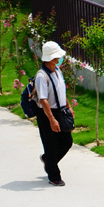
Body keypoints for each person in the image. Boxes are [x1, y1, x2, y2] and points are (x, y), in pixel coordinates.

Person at [35, 41, 74, 187]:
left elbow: (61, 91)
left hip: (60, 110)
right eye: (57, 57)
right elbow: (43, 100)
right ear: (51, 58)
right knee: (51, 144)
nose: (60, 59)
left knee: (67, 142)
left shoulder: (57, 71)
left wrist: (68, 107)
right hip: (47, 114)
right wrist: (51, 119)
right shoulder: (41, 76)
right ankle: (54, 175)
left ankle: (48, 160)